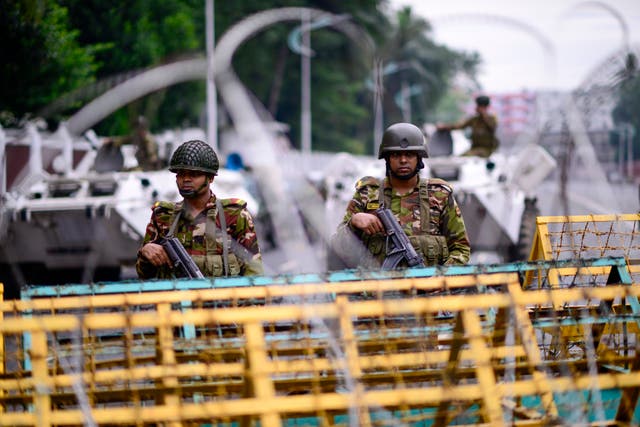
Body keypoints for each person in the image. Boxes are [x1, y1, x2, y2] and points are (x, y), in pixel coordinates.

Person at [330, 123, 470, 269]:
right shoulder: (367, 194)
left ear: (419, 159)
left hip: (430, 290)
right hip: (377, 290)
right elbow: (338, 250)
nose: (403, 160)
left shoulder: (439, 194)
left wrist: (440, 279)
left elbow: (461, 249)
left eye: (409, 155)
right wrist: (354, 223)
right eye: (396, 155)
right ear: (387, 159)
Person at [136, 140, 264, 279]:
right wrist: (146, 253)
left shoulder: (234, 215)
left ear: (210, 178)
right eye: (181, 174)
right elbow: (144, 275)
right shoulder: (163, 216)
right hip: (175, 299)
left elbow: (254, 274)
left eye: (194, 174)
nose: (186, 179)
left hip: (220, 300)